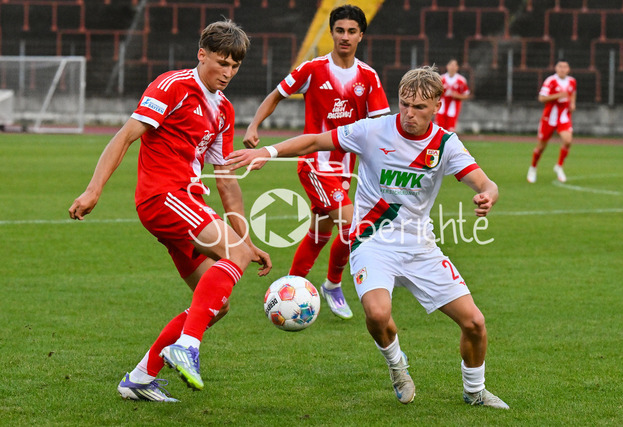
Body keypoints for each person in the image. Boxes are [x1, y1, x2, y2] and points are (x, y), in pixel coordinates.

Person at [227, 66, 509, 408]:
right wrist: (267, 152)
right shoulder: (373, 130)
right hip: (372, 242)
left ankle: (475, 391)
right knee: (377, 313)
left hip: (420, 246)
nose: (409, 113)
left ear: (437, 105)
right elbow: (315, 140)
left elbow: (485, 182)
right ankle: (397, 366)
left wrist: (487, 195)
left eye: (419, 107)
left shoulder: (445, 144)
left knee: (475, 322)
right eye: (404, 104)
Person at [68, 20, 272, 402]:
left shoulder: (224, 110)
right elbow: (125, 136)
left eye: (234, 66)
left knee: (217, 305)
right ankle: (188, 346)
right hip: (163, 196)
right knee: (235, 257)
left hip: (188, 202)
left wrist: (244, 238)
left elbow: (226, 182)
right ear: (202, 54)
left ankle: (139, 378)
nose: (227, 72)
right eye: (222, 62)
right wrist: (94, 189)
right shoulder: (173, 87)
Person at [243, 4, 390, 320]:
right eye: (339, 30)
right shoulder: (312, 69)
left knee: (319, 234)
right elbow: (276, 95)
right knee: (355, 226)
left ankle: (286, 292)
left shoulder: (368, 76)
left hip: (345, 169)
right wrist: (254, 125)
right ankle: (333, 284)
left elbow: (381, 127)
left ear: (361, 36)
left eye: (351, 31)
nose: (345, 37)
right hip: (314, 166)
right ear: (332, 33)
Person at [527, 60, 577, 183]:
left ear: (568, 69)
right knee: (541, 147)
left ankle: (559, 166)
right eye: (560, 66)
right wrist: (557, 95)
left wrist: (572, 103)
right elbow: (541, 98)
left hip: (564, 117)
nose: (562, 69)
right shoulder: (550, 81)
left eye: (565, 67)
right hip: (549, 118)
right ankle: (533, 168)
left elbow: (573, 93)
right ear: (556, 68)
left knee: (568, 141)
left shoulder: (572, 81)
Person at [435, 58, 470, 132]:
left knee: (450, 132)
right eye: (451, 65)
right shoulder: (441, 79)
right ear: (447, 66)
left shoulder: (461, 80)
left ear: (457, 67)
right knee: (439, 131)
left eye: (454, 65)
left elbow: (466, 95)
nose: (452, 67)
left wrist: (458, 96)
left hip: (453, 110)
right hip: (441, 109)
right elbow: (435, 93)